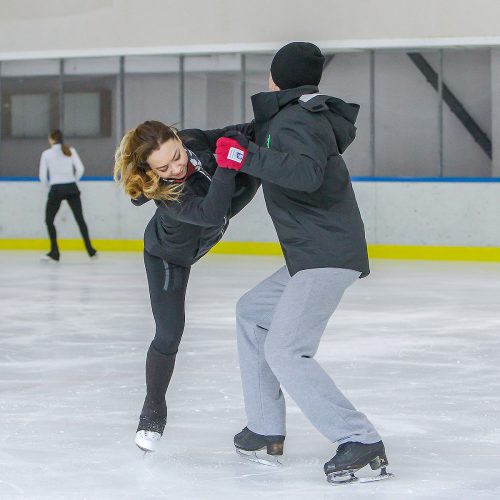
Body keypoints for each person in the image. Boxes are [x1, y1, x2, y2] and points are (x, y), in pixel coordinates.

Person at [215, 42, 392, 484]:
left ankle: (358, 438)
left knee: (285, 349)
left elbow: (307, 174)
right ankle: (264, 429)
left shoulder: (296, 120)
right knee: (253, 314)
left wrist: (247, 157)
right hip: (312, 253)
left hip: (324, 253)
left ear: (276, 76)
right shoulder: (292, 117)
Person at [113, 120, 258, 453]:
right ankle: (152, 409)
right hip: (167, 257)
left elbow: (241, 130)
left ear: (180, 139)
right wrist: (227, 163)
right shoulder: (167, 192)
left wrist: (246, 136)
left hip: (200, 239)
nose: (176, 168)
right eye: (163, 167)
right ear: (151, 171)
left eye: (177, 156)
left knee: (252, 166)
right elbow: (210, 213)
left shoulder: (194, 138)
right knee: (169, 333)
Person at [39, 130, 97, 262]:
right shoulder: (70, 151)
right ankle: (91, 251)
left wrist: (52, 186)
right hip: (71, 187)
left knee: (49, 220)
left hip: (56, 188)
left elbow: (42, 176)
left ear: (51, 139)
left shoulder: (46, 154)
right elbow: (80, 169)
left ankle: (55, 252)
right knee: (80, 220)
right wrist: (73, 181)